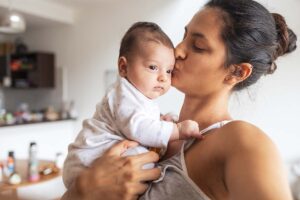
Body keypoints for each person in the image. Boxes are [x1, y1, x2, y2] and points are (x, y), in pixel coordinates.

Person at [62, 0, 297, 199]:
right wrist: (82, 190)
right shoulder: (153, 126)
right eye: (184, 37)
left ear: (236, 72)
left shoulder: (240, 142)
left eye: (198, 46)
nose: (178, 51)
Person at [62, 22, 202, 189]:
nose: (163, 78)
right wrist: (177, 130)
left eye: (168, 71)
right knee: (143, 159)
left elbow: (138, 120)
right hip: (87, 160)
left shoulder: (139, 97)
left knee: (144, 156)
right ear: (123, 67)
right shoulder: (124, 94)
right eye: (153, 67)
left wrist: (161, 120)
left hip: (97, 162)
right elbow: (138, 128)